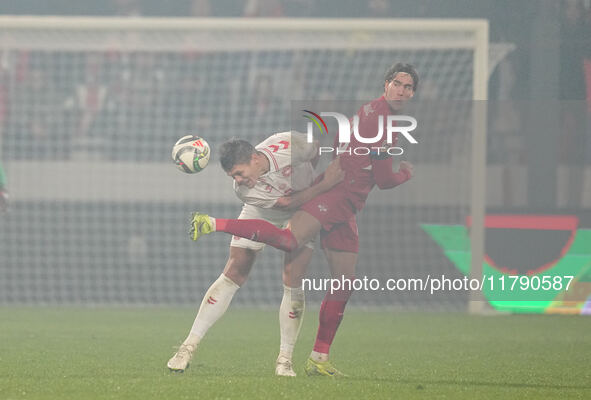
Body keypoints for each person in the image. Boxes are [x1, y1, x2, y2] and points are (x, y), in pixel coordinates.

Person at [189, 62, 418, 376]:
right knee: (287, 241)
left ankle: (318, 359)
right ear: (386, 84)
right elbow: (386, 178)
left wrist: (344, 161)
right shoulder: (380, 120)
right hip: (336, 195)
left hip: (347, 201)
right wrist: (404, 172)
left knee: (344, 282)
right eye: (398, 84)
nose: (402, 91)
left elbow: (335, 141)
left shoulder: (372, 114)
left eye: (408, 87)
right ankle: (215, 223)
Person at [167, 131, 344, 376]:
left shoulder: (290, 145)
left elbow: (316, 148)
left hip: (304, 210)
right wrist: (324, 185)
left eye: (239, 173)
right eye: (232, 176)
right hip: (268, 209)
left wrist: (317, 176)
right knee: (234, 271)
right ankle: (188, 347)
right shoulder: (243, 191)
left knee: (293, 278)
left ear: (255, 158)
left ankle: (285, 360)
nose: (238, 180)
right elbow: (284, 204)